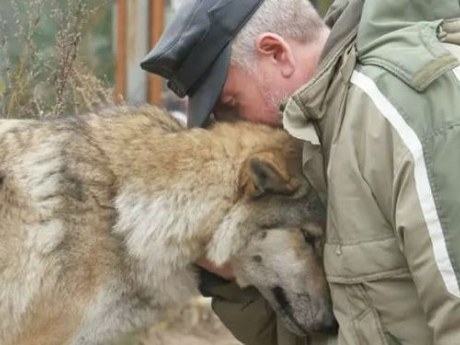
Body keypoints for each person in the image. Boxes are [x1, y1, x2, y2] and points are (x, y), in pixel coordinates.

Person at [141, 0, 460, 344]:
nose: (236, 130)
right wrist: (232, 275)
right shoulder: (320, 139)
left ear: (276, 53)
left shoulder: (402, 109)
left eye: (232, 106)